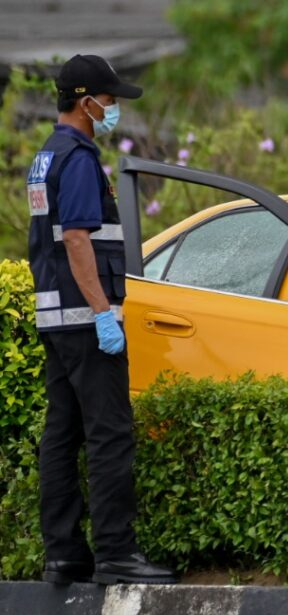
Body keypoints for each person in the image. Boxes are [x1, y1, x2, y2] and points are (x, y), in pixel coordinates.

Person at [27, 55, 176, 585]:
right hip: (89, 322)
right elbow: (75, 238)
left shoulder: (46, 156)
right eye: (109, 99)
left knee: (62, 436)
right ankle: (116, 555)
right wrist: (101, 315)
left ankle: (64, 555)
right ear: (85, 101)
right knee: (111, 434)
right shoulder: (80, 158)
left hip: (57, 321)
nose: (113, 108)